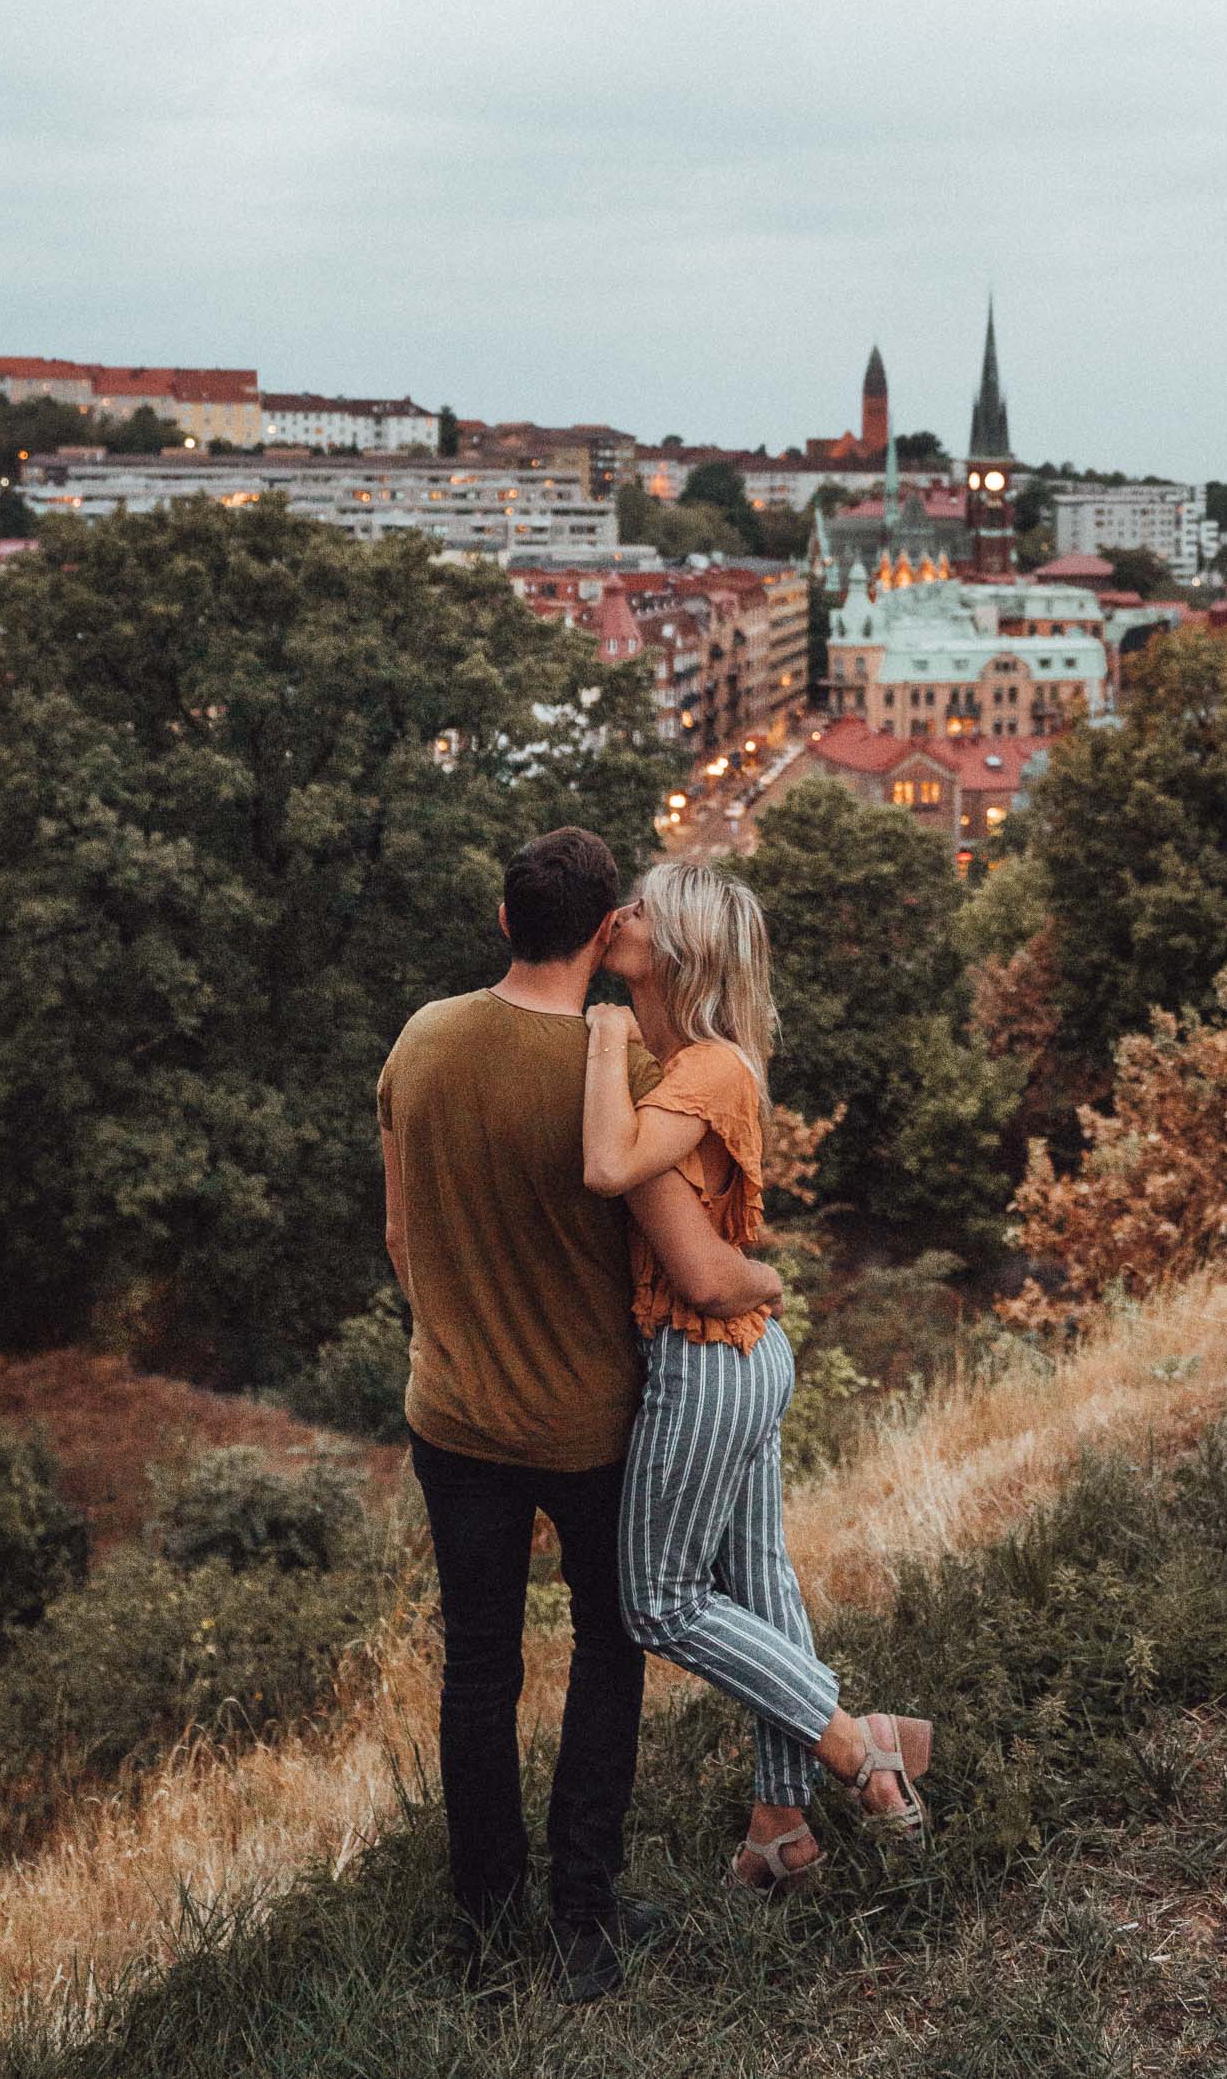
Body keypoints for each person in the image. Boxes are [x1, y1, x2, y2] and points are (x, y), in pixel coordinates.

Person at [378, 826, 784, 1999]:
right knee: (607, 1650)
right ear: (604, 932)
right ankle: (582, 1916)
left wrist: (455, 1330)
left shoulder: (421, 1041)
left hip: (452, 1415)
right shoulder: (623, 1090)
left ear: (505, 922)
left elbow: (402, 1235)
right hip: (592, 1425)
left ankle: (484, 1917)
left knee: (477, 1669)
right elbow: (692, 1266)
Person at [582, 855, 934, 1893]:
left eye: (643, 909)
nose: (623, 916)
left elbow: (629, 1192)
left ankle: (855, 1745)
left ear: (678, 945)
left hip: (706, 1359)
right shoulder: (677, 1062)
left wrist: (602, 1033)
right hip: (731, 1354)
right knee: (761, 1583)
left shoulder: (703, 1066)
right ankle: (780, 1830)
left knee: (657, 1602)